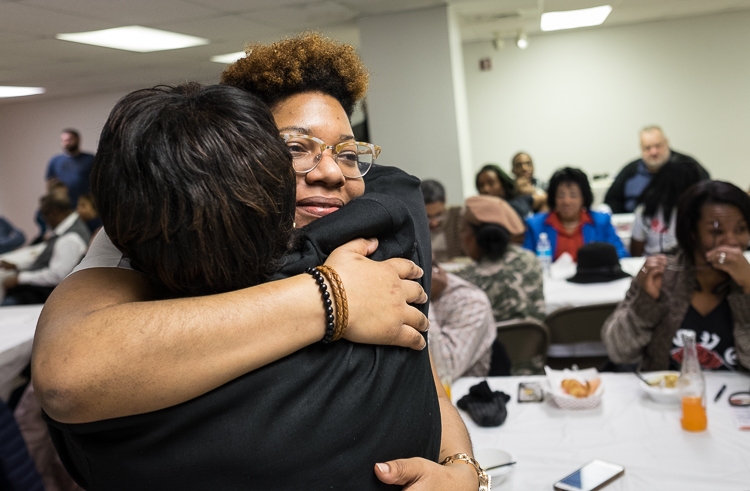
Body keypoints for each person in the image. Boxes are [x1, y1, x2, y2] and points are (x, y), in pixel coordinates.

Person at [34, 34, 479, 491]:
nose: (329, 171)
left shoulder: (380, 227)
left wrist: (463, 469)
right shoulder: (160, 231)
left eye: (347, 154)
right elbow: (71, 372)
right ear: (237, 157)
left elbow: (423, 378)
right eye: (295, 148)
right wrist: (333, 296)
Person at [602, 181, 750, 372]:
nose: (732, 242)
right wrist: (645, 303)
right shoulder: (661, 276)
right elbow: (618, 352)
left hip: (734, 399)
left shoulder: (747, 279)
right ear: (691, 232)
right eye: (716, 231)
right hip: (668, 396)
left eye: (741, 230)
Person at [457, 195, 545, 323]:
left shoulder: (469, 280)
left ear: (474, 236)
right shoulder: (530, 259)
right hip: (536, 341)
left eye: (463, 230)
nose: (461, 237)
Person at [1, 193, 89, 305]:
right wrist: (18, 266)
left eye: (44, 215)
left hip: (45, 295)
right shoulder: (66, 231)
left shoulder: (70, 238)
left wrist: (20, 278)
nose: (44, 219)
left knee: (7, 304)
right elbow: (52, 260)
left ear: (54, 213)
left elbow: (57, 276)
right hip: (42, 290)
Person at [524, 167, 629, 261]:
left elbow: (621, 254)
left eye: (573, 195)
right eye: (561, 195)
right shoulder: (535, 225)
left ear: (584, 197)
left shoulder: (601, 221)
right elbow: (526, 262)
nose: (566, 201)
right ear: (553, 197)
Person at [604, 126, 709, 214]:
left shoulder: (687, 166)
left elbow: (706, 195)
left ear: (666, 142)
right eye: (648, 148)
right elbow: (611, 201)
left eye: (658, 146)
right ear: (641, 148)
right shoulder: (630, 170)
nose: (653, 152)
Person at [630, 160, 705, 256]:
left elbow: (636, 251)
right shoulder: (699, 211)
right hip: (661, 265)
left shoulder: (645, 210)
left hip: (655, 263)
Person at [45, 129, 95, 207]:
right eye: (63, 140)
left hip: (85, 204)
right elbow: (49, 182)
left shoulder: (90, 159)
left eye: (69, 140)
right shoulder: (55, 161)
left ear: (77, 139)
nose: (66, 143)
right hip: (63, 204)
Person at [420, 179, 463, 262]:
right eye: (427, 217)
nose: (434, 223)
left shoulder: (458, 216)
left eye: (439, 215)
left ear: (445, 201)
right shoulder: (414, 225)